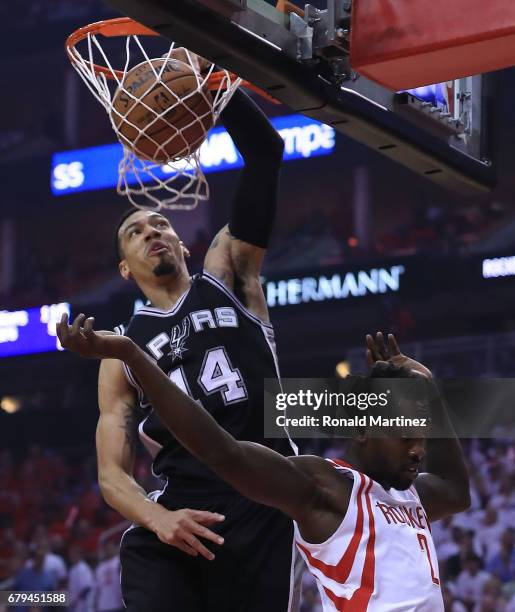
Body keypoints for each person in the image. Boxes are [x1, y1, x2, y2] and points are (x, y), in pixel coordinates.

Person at [57, 320, 471, 611]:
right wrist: (133, 355)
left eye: (422, 435)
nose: (419, 449)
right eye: (406, 435)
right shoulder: (327, 488)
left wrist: (429, 388)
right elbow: (222, 451)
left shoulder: (411, 496)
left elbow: (458, 491)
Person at [85, 66, 297, 611]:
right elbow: (112, 473)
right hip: (183, 503)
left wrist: (211, 86)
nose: (151, 230)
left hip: (264, 486)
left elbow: (266, 152)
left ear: (181, 242)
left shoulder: (228, 274)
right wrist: (158, 516)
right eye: (135, 231)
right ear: (125, 269)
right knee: (149, 569)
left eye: (159, 223)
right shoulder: (121, 350)